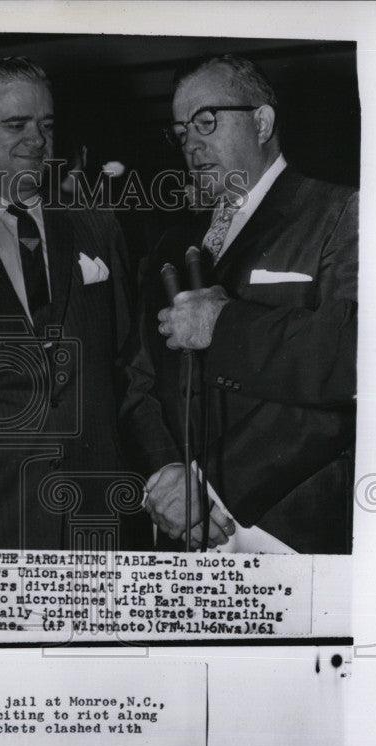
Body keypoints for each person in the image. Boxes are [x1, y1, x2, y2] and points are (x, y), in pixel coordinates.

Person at [123, 54, 358, 554]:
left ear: (262, 121)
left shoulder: (341, 213)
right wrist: (169, 474)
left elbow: (354, 366)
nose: (191, 142)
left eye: (206, 120)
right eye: (181, 129)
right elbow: (137, 379)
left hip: (284, 528)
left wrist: (209, 486)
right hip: (179, 528)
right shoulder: (169, 242)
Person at [0, 57, 140, 551]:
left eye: (46, 125)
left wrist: (164, 464)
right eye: (15, 125)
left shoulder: (96, 226)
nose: (37, 140)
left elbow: (130, 364)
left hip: (95, 510)